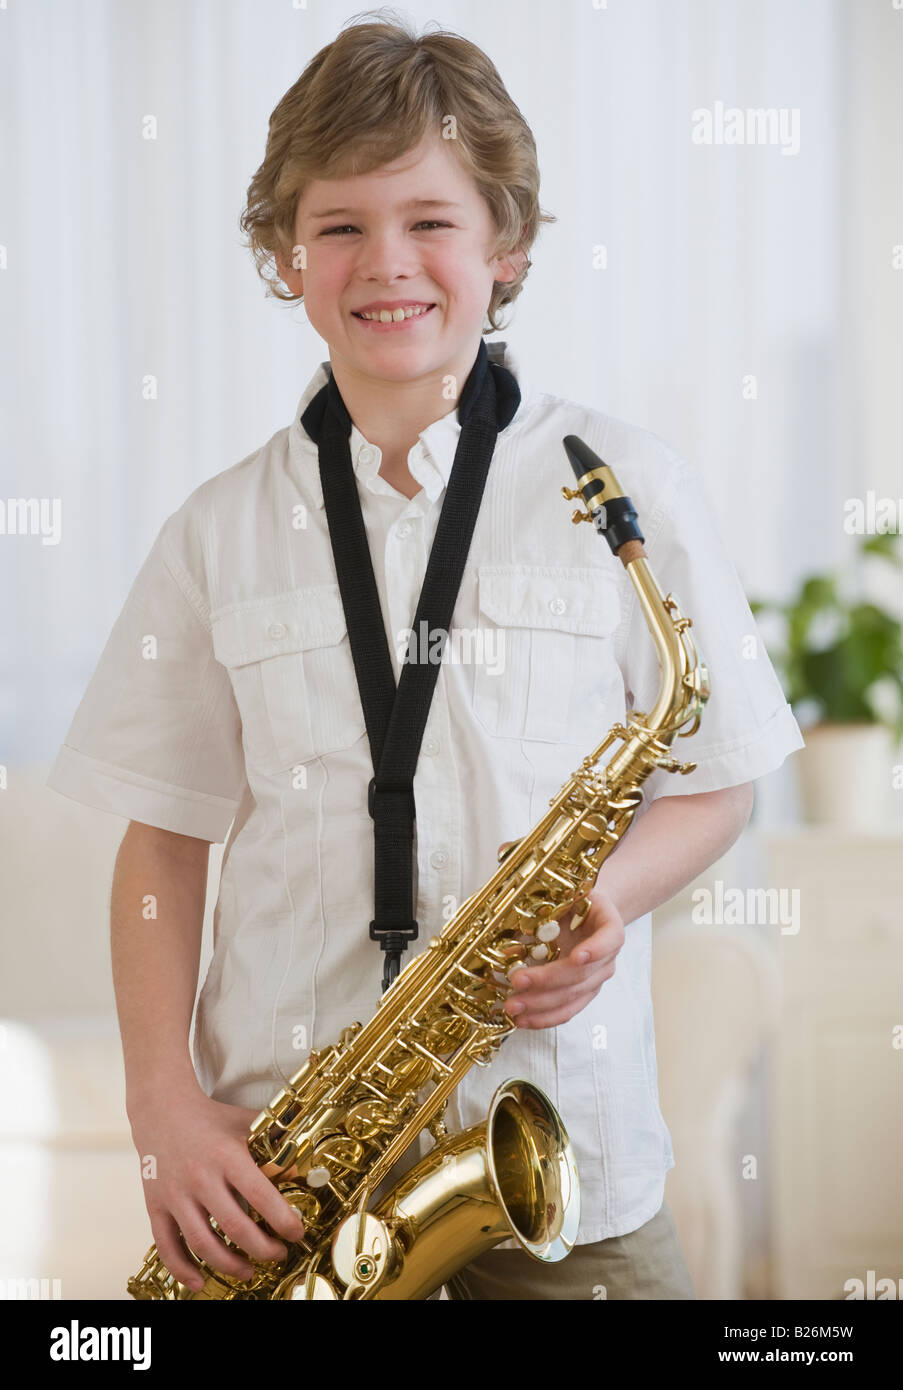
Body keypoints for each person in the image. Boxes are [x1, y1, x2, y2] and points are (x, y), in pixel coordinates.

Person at [46, 12, 804, 1300]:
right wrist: (163, 1105)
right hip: (285, 1180)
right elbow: (163, 844)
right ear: (287, 254)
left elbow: (718, 778)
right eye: (339, 225)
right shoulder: (217, 532)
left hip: (568, 1165)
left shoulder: (629, 489)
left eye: (432, 221)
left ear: (506, 245)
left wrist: (609, 895)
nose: (384, 262)